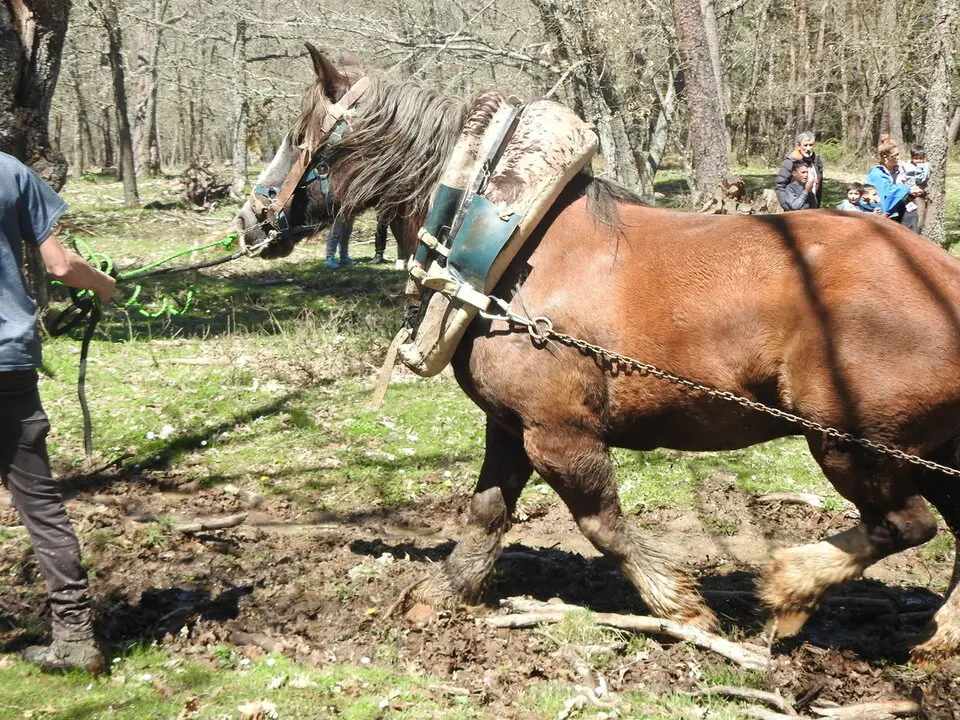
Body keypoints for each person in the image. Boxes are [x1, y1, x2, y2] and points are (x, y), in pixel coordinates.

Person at [1, 152, 115, 673]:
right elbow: (62, 266)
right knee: (41, 505)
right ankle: (74, 636)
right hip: (8, 365)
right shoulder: (10, 172)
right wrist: (103, 285)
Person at [865, 135, 923, 230]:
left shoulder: (901, 168)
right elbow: (888, 191)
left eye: (898, 154)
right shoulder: (877, 173)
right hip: (888, 212)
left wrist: (917, 189)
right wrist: (907, 189)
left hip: (906, 207)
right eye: (895, 155)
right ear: (885, 156)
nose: (898, 157)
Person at [774, 131, 824, 210]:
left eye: (811, 145)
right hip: (795, 208)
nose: (808, 148)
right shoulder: (790, 162)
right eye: (805, 145)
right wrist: (786, 207)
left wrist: (817, 206)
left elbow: (818, 186)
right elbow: (780, 185)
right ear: (798, 146)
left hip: (812, 207)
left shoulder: (816, 162)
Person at [901, 147, 931, 232]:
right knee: (909, 215)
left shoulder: (926, 167)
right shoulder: (906, 166)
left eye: (921, 158)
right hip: (908, 194)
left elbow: (923, 179)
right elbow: (903, 178)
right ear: (911, 158)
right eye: (916, 158)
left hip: (920, 194)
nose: (918, 161)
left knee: (919, 216)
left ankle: (917, 230)